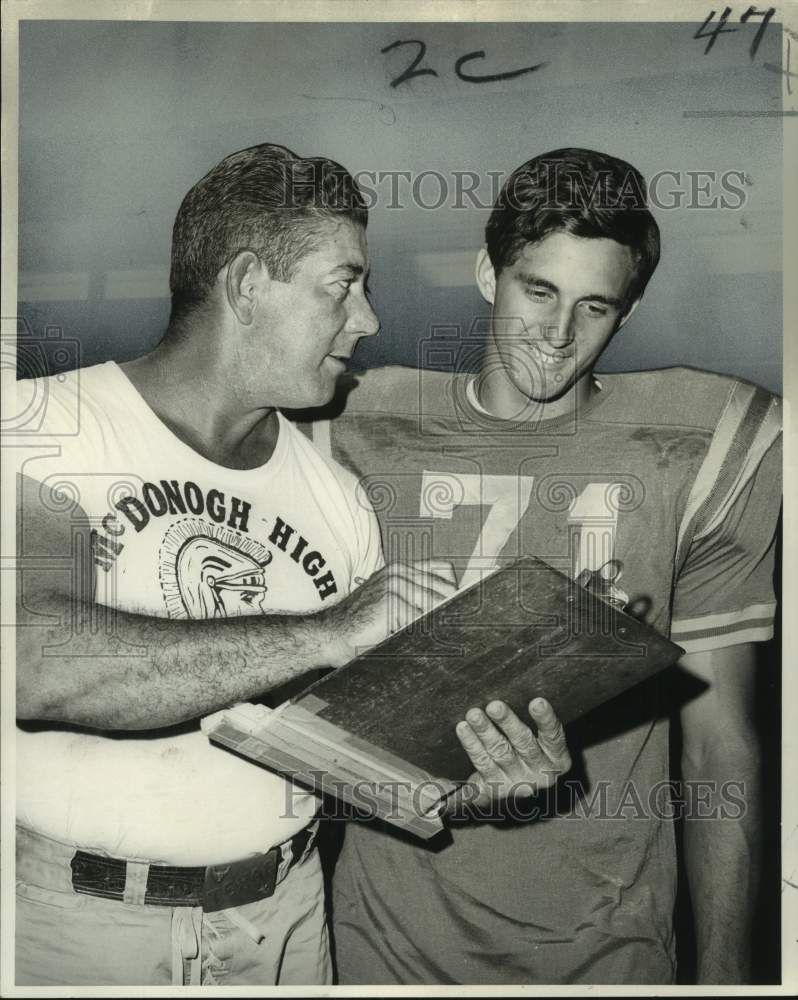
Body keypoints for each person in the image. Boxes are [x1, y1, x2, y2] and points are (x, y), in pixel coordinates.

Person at [14, 143, 572, 987]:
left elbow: (348, 760)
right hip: (81, 929)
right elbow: (35, 664)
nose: (369, 320)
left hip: (288, 923)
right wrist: (332, 629)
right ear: (246, 285)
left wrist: (480, 781)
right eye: (343, 286)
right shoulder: (48, 424)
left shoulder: (335, 495)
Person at [305, 147, 782, 984]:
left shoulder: (699, 444)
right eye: (539, 291)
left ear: (626, 313)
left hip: (606, 948)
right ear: (488, 273)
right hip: (386, 945)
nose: (560, 336)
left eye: (595, 305)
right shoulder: (356, 424)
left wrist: (729, 976)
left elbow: (719, 748)